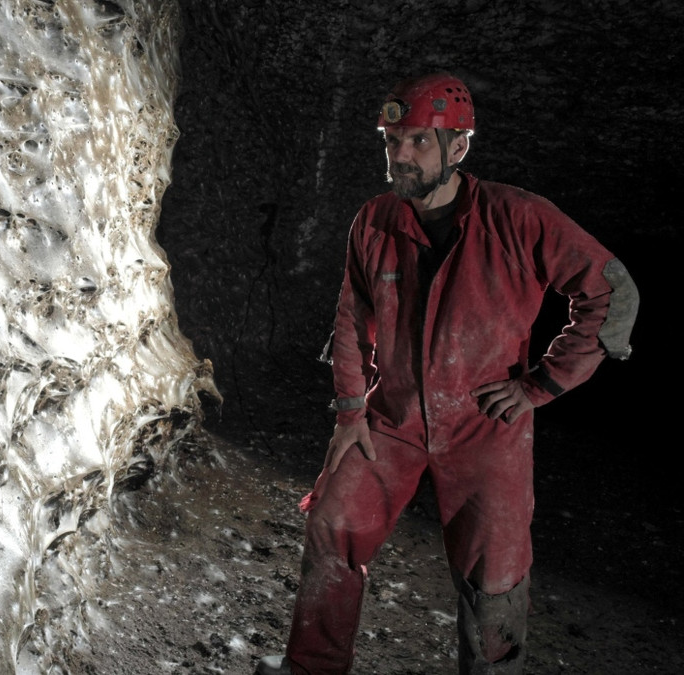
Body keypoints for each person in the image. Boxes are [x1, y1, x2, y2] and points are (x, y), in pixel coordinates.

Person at [255, 73, 640, 674]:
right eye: (392, 141)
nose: (400, 155)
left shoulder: (517, 217)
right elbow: (352, 318)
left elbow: (610, 290)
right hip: (394, 417)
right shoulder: (376, 219)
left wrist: (543, 384)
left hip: (484, 426)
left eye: (417, 142)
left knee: (496, 575)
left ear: (458, 148)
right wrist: (351, 410)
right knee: (334, 521)